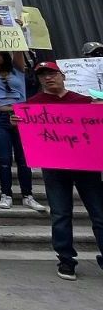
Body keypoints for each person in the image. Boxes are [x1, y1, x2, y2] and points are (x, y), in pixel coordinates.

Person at [21, 62, 103, 281]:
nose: (48, 78)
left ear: (62, 75)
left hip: (86, 166)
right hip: (55, 168)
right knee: (60, 214)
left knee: (99, 213)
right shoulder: (33, 106)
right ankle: (66, 259)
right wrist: (18, 122)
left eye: (52, 73)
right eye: (43, 75)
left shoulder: (84, 102)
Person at [0, 50, 47, 212]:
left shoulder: (18, 69)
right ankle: (6, 194)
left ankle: (28, 195)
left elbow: (18, 48)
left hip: (21, 116)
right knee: (4, 158)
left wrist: (17, 28)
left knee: (23, 158)